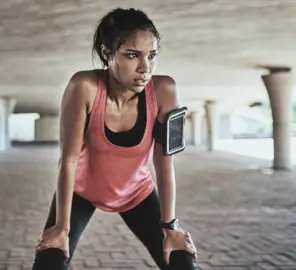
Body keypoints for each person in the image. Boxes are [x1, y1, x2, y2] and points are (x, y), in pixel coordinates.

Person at [32, 8, 198, 270]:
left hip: (137, 192)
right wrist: (61, 228)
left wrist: (170, 227)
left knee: (181, 262)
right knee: (49, 260)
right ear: (106, 53)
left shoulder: (165, 91)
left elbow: (165, 165)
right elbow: (69, 160)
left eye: (151, 55)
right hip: (82, 191)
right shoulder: (83, 86)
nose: (145, 68)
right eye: (132, 55)